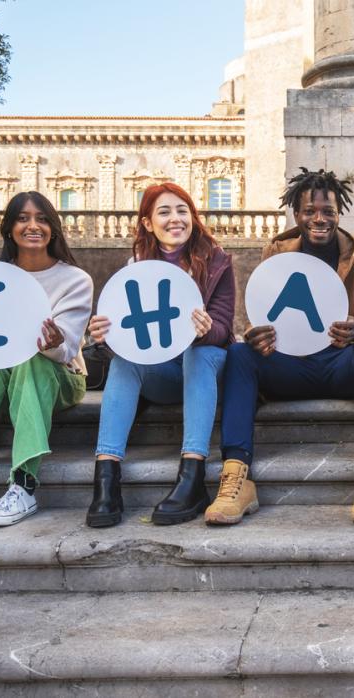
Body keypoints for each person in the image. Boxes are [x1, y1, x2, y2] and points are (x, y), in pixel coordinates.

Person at [207, 168, 354, 525]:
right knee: (239, 353)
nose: (319, 219)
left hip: (340, 363)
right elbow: (264, 311)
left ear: (340, 213)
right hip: (290, 365)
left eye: (328, 211)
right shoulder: (277, 250)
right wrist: (255, 334)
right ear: (297, 213)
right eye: (310, 211)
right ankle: (237, 475)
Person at [0, 191, 93, 527]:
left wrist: (52, 342)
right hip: (2, 373)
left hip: (59, 374)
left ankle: (24, 485)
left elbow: (65, 351)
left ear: (53, 227)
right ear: (9, 228)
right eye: (23, 218)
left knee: (33, 359)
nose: (32, 225)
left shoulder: (75, 280)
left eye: (41, 218)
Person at [86, 183, 234, 527]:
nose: (175, 219)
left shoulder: (217, 261)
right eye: (164, 212)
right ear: (148, 223)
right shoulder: (136, 267)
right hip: (163, 375)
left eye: (183, 211)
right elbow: (132, 338)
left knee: (200, 354)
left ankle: (192, 476)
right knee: (124, 362)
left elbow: (224, 330)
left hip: (206, 370)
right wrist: (106, 336)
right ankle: (106, 480)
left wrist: (204, 328)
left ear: (193, 218)